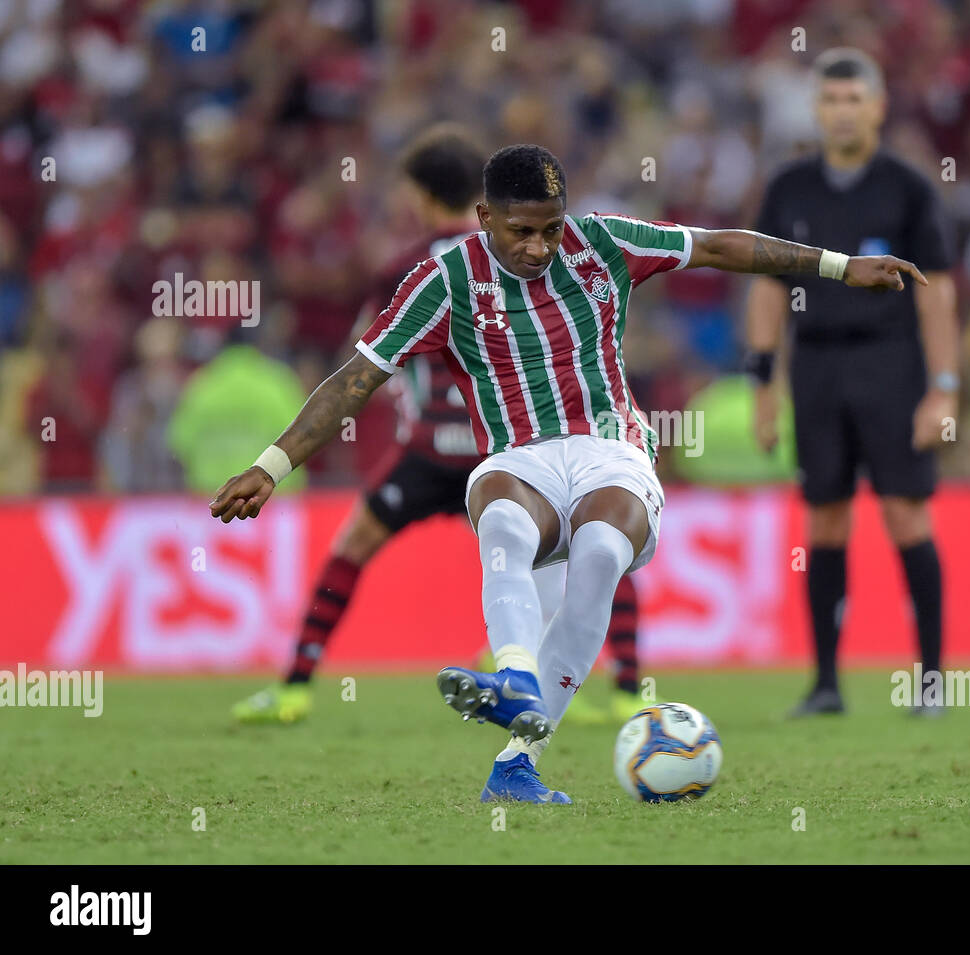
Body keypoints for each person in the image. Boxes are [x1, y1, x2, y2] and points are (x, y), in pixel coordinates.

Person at [209, 143, 925, 803]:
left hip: (611, 447)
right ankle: (516, 673)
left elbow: (715, 246)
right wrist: (271, 465)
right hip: (517, 455)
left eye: (550, 228)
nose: (539, 245)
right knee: (501, 512)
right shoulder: (442, 279)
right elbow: (356, 378)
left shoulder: (602, 242)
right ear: (484, 217)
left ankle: (518, 760)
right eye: (521, 230)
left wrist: (837, 265)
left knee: (601, 552)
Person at [231, 125, 646, 726]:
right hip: (511, 445)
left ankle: (295, 684)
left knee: (353, 547)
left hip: (431, 447)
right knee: (598, 539)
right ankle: (627, 687)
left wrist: (277, 460)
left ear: (422, 197)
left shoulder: (412, 267)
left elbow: (367, 363)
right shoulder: (539, 260)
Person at [745, 49, 959, 717]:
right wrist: (762, 385)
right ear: (817, 108)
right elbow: (769, 289)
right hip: (816, 367)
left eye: (854, 99)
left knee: (904, 513)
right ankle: (826, 683)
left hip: (891, 364)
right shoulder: (788, 189)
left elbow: (938, 294)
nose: (843, 111)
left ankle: (931, 681)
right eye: (832, 100)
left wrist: (943, 386)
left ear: (878, 106)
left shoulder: (908, 188)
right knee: (826, 519)